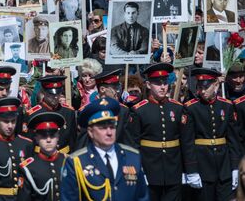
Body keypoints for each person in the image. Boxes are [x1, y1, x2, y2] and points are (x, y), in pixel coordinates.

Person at [60, 97, 149, 201]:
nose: (109, 132)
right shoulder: (76, 162)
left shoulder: (132, 156)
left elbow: (142, 197)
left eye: (112, 126)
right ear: (90, 132)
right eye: (102, 128)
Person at [129, 63, 195, 201]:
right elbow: (133, 144)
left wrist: (190, 169)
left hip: (174, 169)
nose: (163, 87)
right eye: (157, 83)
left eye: (165, 82)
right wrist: (137, 170)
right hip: (150, 170)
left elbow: (186, 142)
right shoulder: (139, 110)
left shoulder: (177, 108)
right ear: (148, 85)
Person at [184, 68, 240, 200]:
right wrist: (192, 170)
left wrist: (235, 167)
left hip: (224, 166)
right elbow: (188, 142)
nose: (202, 91)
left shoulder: (227, 106)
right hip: (203, 166)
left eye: (206, 86)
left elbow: (233, 139)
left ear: (216, 84)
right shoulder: (191, 107)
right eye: (199, 87)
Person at [23, 75, 77, 155]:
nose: (55, 97)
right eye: (51, 94)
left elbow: (73, 140)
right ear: (43, 92)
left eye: (58, 93)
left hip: (64, 157)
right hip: (41, 157)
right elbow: (29, 142)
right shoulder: (33, 114)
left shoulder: (68, 111)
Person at [18, 112, 66, 201]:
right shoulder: (29, 168)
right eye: (44, 136)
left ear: (58, 137)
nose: (48, 140)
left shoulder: (69, 161)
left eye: (52, 136)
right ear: (36, 138)